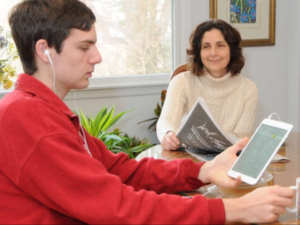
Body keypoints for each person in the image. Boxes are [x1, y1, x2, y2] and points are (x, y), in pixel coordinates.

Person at [0, 1, 294, 224]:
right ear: (44, 51)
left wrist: (204, 170)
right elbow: (114, 206)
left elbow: (121, 171)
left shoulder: (45, 110)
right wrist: (233, 209)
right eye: (84, 47)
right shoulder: (26, 117)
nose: (97, 57)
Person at [157, 19, 258, 151]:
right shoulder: (182, 81)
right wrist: (167, 134)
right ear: (198, 52)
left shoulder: (249, 89)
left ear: (232, 50)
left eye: (220, 45)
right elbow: (166, 120)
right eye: (206, 46)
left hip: (226, 160)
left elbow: (241, 139)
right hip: (185, 157)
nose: (213, 53)